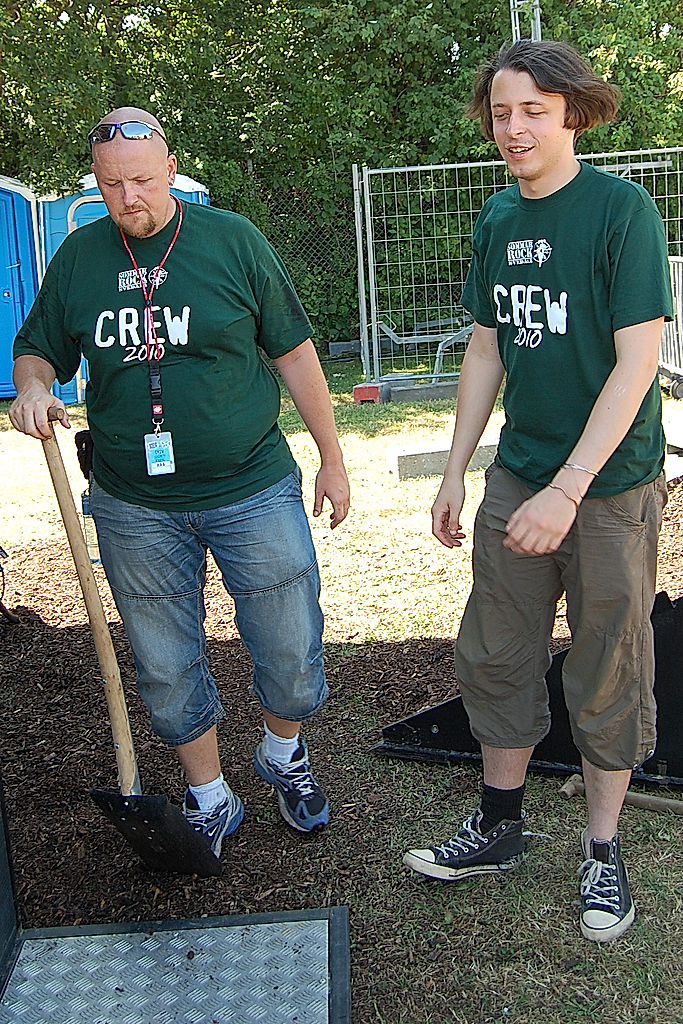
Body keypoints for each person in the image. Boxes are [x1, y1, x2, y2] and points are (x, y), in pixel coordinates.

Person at [10, 106, 350, 858]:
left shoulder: (233, 241)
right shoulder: (79, 258)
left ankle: (283, 753)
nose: (127, 199)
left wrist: (330, 457)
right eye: (109, 186)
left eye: (139, 180)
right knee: (165, 662)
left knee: (292, 652)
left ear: (170, 170)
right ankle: (208, 795)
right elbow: (36, 350)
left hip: (250, 486)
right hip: (135, 503)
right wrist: (33, 387)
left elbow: (293, 354)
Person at [403, 41, 672, 942]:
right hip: (519, 477)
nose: (511, 128)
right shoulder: (492, 219)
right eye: (500, 112)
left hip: (605, 488)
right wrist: (455, 469)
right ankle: (500, 824)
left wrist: (567, 487)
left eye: (531, 111)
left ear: (571, 115)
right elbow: (487, 346)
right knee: (495, 652)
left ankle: (601, 850)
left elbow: (638, 365)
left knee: (606, 665)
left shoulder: (619, 212)